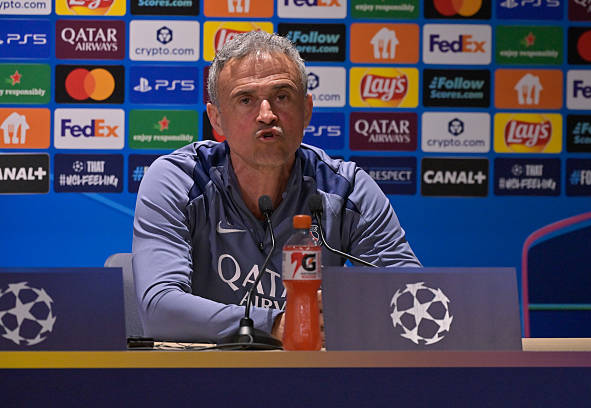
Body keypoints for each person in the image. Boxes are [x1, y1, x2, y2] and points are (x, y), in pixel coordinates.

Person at [132, 31, 421, 343]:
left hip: (313, 370)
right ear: (216, 119)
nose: (267, 115)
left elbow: (414, 298)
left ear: (306, 110)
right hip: (209, 370)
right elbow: (159, 311)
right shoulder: (180, 180)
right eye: (245, 100)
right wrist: (279, 325)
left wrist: (346, 314)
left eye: (282, 97)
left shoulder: (346, 189)